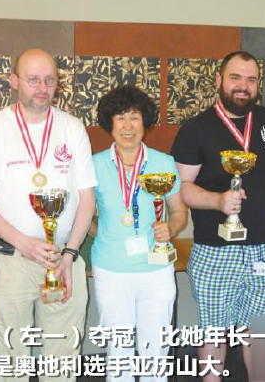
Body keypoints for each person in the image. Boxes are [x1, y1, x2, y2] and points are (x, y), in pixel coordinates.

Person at [0, 48, 96, 381]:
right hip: (12, 258)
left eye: (50, 80)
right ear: (14, 81)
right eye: (33, 79)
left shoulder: (72, 128)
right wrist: (24, 243)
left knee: (62, 359)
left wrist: (69, 254)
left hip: (63, 259)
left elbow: (86, 197)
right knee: (10, 359)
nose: (42, 88)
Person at [171, 50, 265, 381]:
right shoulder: (196, 128)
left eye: (251, 80)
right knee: (214, 334)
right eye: (235, 77)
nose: (243, 86)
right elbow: (182, 188)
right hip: (216, 250)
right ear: (220, 80)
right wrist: (218, 201)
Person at [90, 85, 187, 382]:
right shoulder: (94, 165)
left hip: (156, 269)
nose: (128, 126)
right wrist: (102, 234)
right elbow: (83, 217)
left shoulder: (163, 162)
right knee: (118, 352)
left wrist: (170, 228)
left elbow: (179, 211)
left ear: (145, 121)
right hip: (111, 270)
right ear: (110, 124)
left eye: (134, 117)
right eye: (120, 118)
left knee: (155, 352)